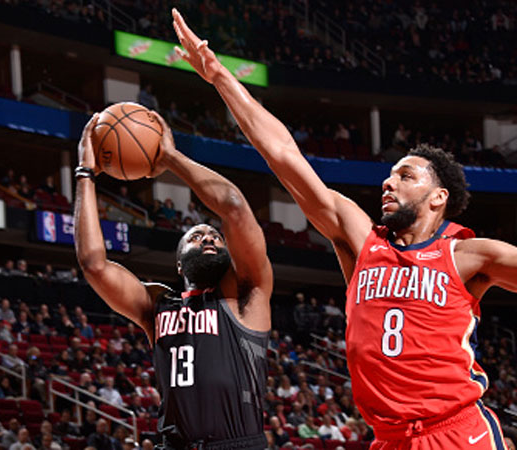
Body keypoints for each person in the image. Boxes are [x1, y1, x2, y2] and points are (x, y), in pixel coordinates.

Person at [172, 9, 517, 450]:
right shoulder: (361, 238)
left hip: (457, 431)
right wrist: (219, 76)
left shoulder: (470, 255)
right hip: (389, 438)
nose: (389, 182)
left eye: (406, 176)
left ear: (439, 197)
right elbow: (283, 154)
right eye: (389, 174)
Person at [75, 111, 272, 450]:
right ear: (179, 262)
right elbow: (94, 264)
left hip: (238, 444)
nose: (209, 238)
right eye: (197, 236)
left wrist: (170, 157)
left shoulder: (247, 295)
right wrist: (85, 174)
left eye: (215, 236)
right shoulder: (157, 305)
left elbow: (234, 206)